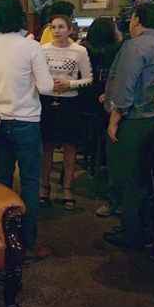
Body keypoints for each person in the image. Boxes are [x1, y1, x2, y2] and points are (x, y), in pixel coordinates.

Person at [0, 0, 59, 258]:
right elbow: (45, 87)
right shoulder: (29, 47)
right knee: (30, 182)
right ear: (20, 17)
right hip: (26, 121)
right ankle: (27, 242)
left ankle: (1, 238)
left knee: (1, 180)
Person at [102, 1, 154, 249]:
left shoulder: (134, 46)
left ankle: (131, 233)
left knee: (129, 178)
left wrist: (114, 118)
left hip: (135, 121)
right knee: (147, 178)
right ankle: (146, 229)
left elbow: (125, 87)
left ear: (136, 20)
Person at [40, 14, 93, 210]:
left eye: (61, 27)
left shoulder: (79, 51)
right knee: (47, 147)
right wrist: (48, 85)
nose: (57, 31)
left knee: (70, 147)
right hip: (47, 100)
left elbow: (88, 79)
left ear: (70, 29)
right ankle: (44, 188)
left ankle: (67, 189)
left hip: (70, 102)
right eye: (53, 27)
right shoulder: (42, 49)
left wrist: (70, 84)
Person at [79, 17, 123, 218]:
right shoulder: (119, 51)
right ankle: (104, 162)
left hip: (85, 104)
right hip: (106, 107)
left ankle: (92, 155)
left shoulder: (83, 49)